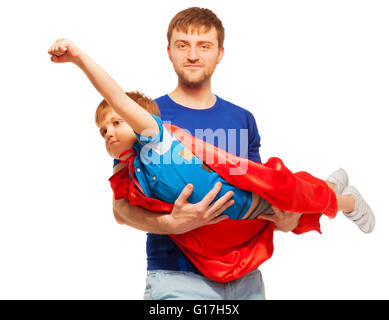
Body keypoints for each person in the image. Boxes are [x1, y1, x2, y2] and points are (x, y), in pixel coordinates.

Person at [48, 7, 374, 299]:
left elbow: (259, 189)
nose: (192, 55)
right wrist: (171, 223)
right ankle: (331, 192)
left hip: (246, 274)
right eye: (182, 45)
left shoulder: (242, 118)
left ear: (220, 53)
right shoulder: (141, 119)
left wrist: (283, 222)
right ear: (169, 52)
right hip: (177, 274)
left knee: (291, 195)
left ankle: (333, 194)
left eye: (203, 46)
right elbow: (121, 208)